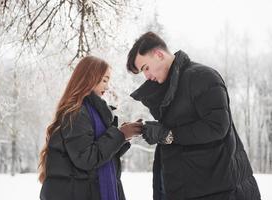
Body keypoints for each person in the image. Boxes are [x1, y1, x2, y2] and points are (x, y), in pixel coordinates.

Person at [126, 32, 261, 200]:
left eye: (146, 68)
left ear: (159, 55)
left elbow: (217, 126)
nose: (146, 76)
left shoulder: (202, 77)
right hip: (183, 188)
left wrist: (168, 134)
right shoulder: (167, 89)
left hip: (217, 190)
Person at [38, 56, 142, 200]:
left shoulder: (93, 112)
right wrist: (119, 135)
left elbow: (101, 155)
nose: (107, 86)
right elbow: (86, 158)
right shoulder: (76, 113)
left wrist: (122, 137)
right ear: (90, 78)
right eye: (104, 80)